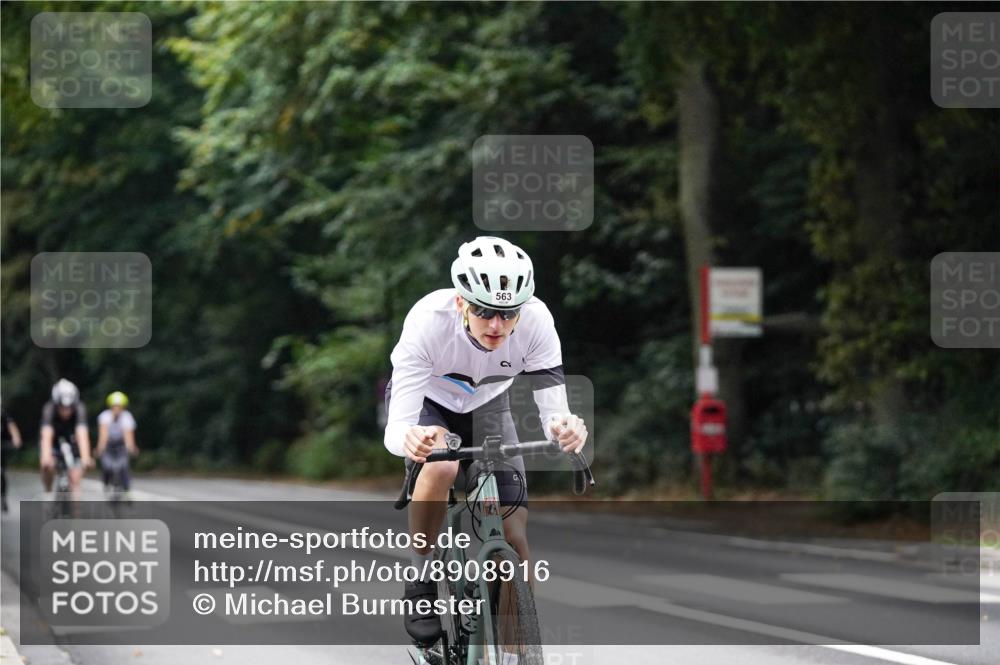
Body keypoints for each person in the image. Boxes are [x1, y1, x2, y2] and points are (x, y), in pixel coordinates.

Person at [384, 236, 588, 644]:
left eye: (506, 313)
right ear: (461, 303)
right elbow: (396, 431)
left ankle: (517, 649)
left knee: (515, 535)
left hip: (489, 405)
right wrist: (413, 441)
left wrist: (568, 429)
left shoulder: (536, 322)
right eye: (483, 311)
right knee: (441, 464)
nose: (496, 325)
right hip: (430, 403)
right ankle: (420, 577)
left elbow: (554, 414)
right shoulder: (427, 321)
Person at [39, 378, 92, 496]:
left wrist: (86, 457)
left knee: (75, 479)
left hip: (72, 441)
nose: (66, 412)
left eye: (69, 408)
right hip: (54, 441)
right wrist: (46, 457)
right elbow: (46, 436)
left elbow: (82, 434)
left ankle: (76, 513)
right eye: (62, 408)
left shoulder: (80, 408)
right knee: (47, 466)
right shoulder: (49, 409)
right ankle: (47, 492)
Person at [94, 391, 138, 496]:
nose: (117, 409)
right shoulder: (104, 416)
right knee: (107, 466)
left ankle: (127, 491)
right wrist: (100, 448)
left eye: (119, 407)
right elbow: (103, 435)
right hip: (108, 444)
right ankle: (106, 483)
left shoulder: (127, 417)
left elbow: (128, 435)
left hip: (121, 444)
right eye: (115, 406)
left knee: (124, 466)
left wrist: (131, 447)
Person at [1, 402, 23, 513]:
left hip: (2, 445)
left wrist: (16, 439)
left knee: (1, 472)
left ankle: (3, 497)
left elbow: (12, 427)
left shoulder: (4, 414)